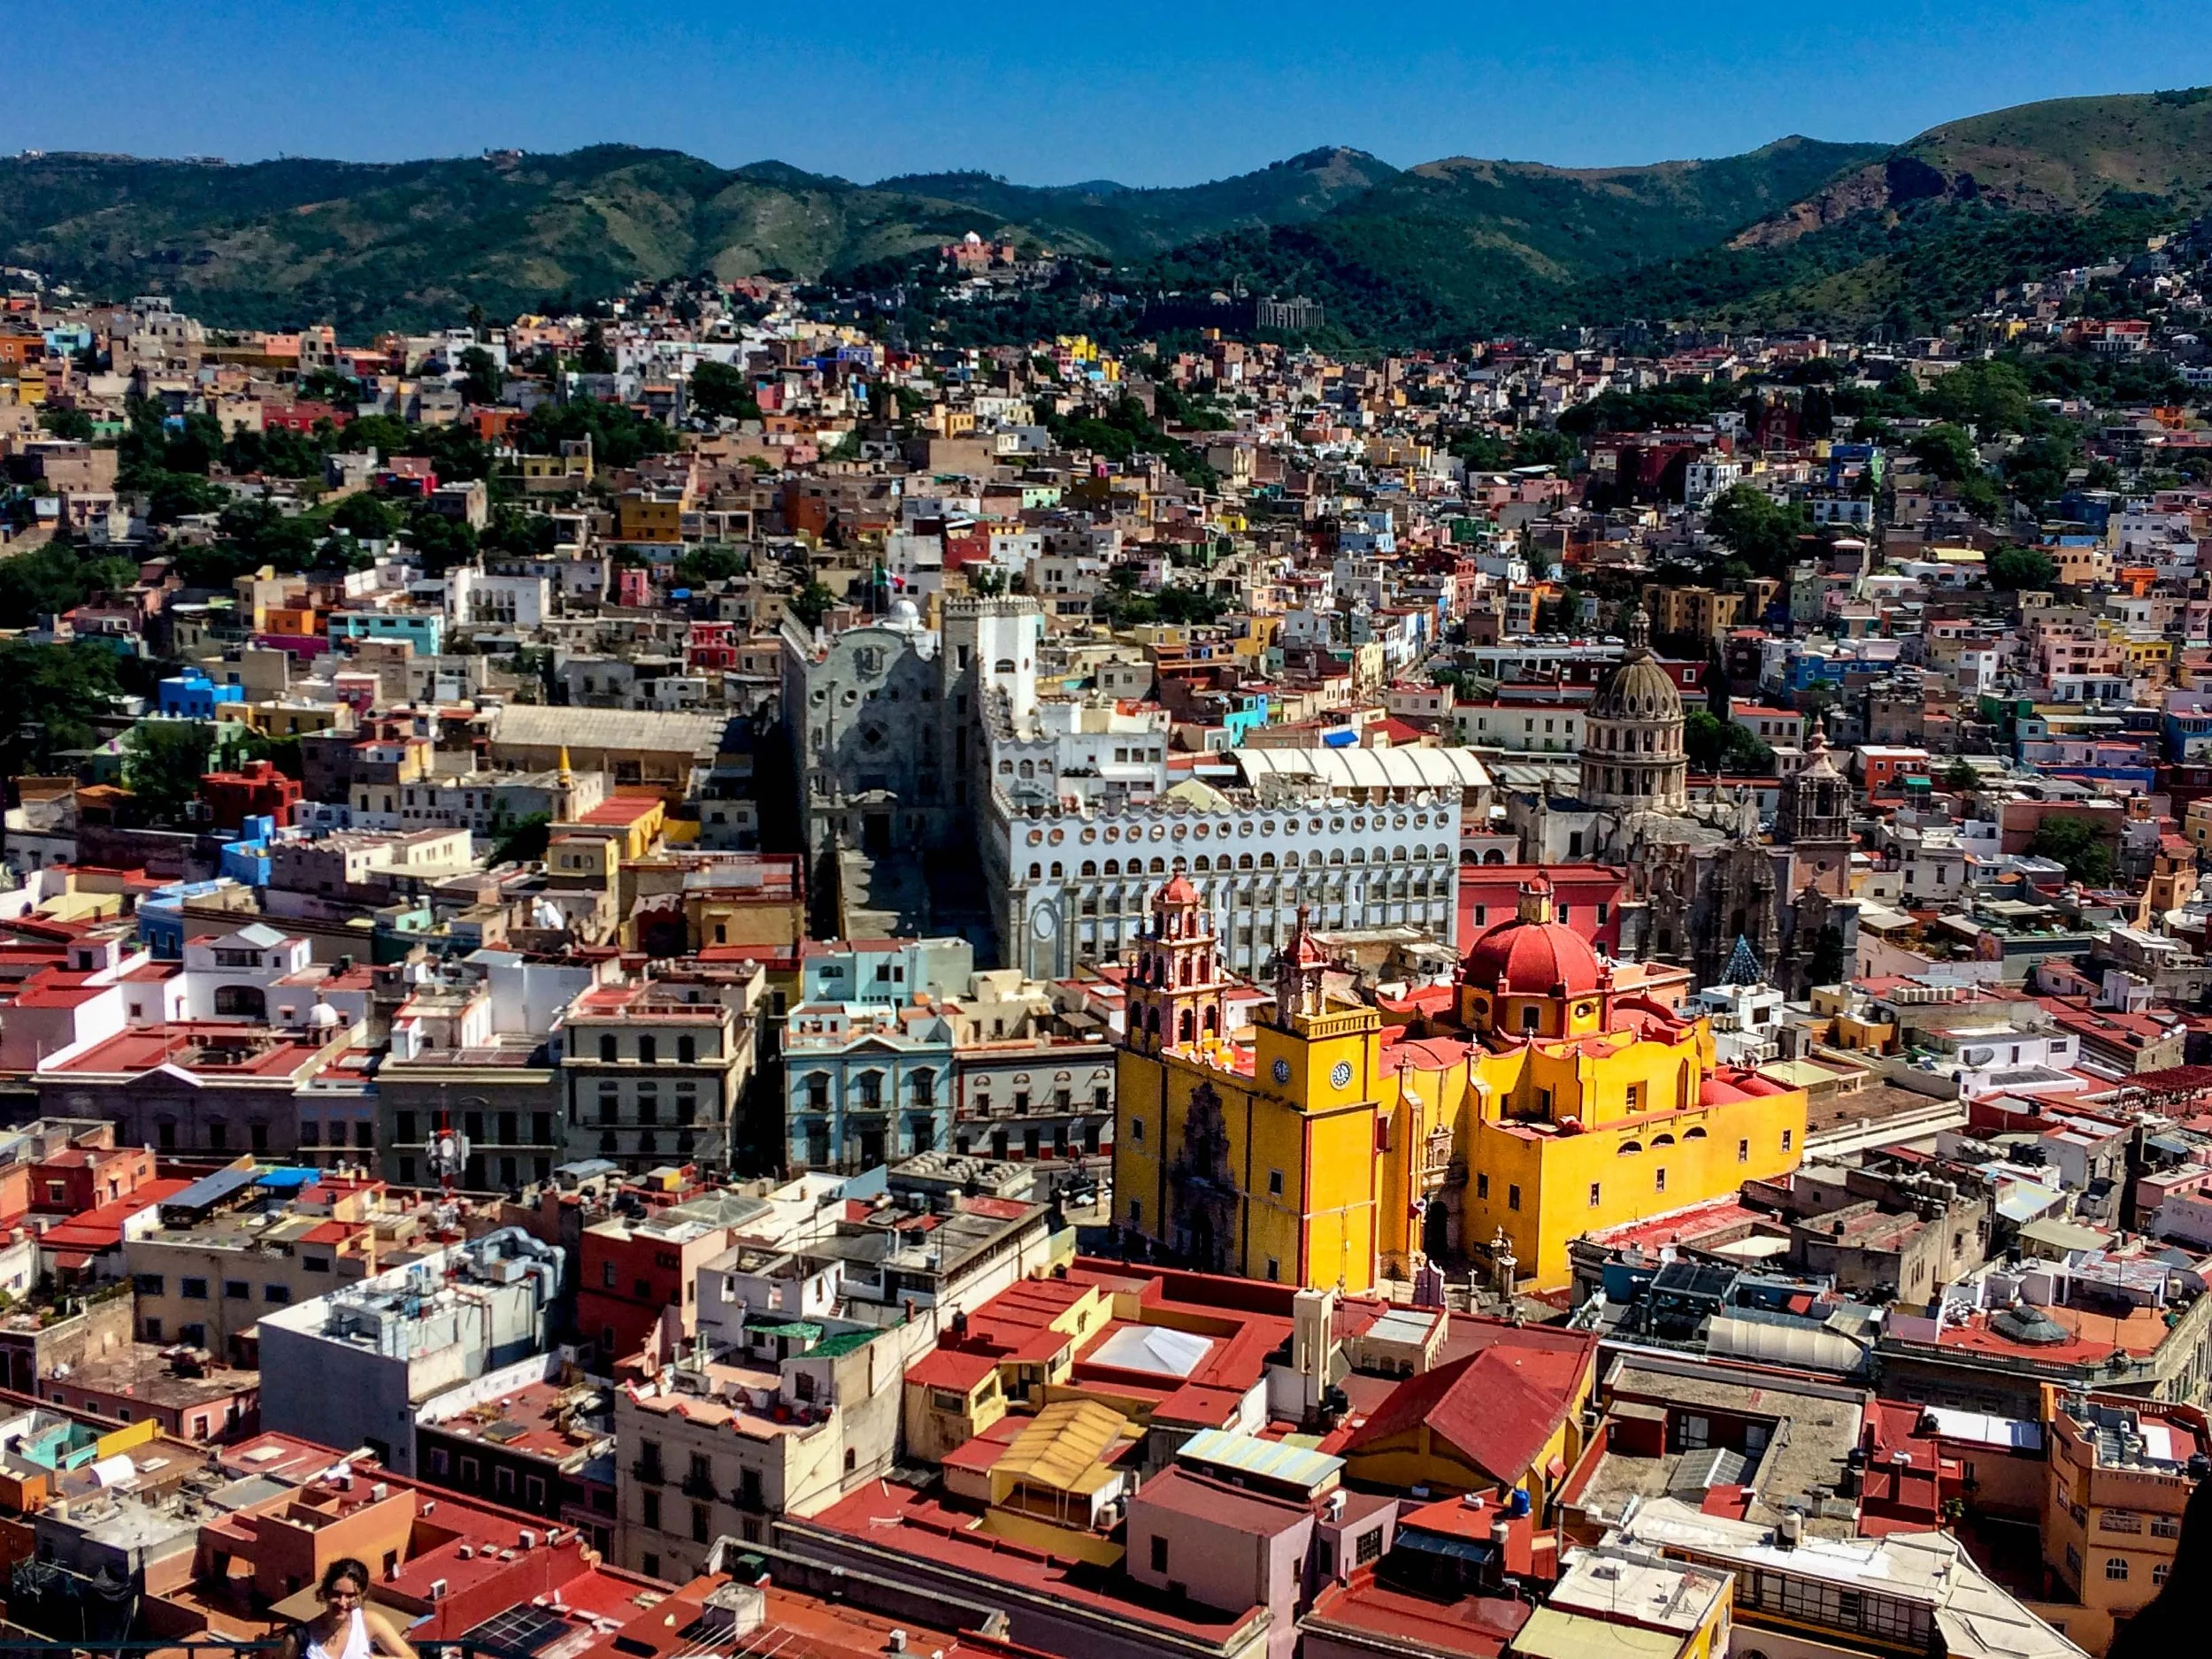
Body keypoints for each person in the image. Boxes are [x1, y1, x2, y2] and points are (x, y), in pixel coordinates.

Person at [278, 1558, 419, 1659]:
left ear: (361, 1596)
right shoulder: (299, 1638)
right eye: (336, 1594)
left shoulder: (369, 1623)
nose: (342, 1602)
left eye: (350, 1595)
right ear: (325, 1592)